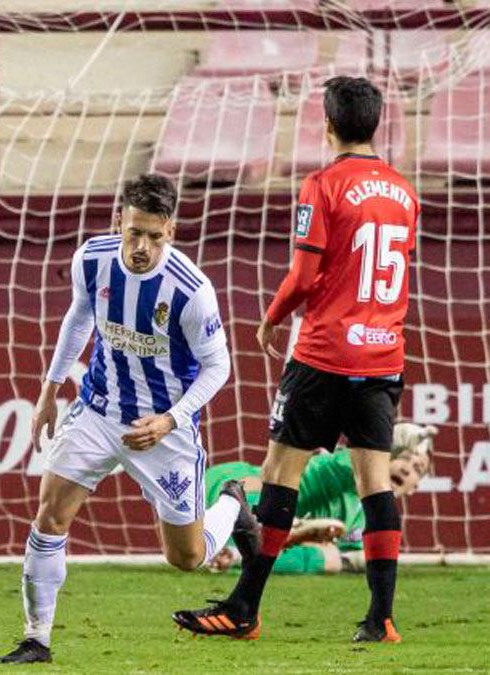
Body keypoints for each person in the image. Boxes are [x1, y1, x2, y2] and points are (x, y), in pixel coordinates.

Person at [173, 76, 421, 643]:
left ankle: (244, 609)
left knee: (279, 479)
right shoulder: (405, 192)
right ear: (376, 124)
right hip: (382, 355)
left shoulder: (323, 184)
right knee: (375, 487)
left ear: (327, 125)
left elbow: (306, 275)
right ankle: (381, 619)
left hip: (323, 353)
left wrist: (271, 317)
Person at [0, 173, 253, 665]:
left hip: (160, 430)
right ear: (120, 221)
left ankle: (232, 505)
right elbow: (79, 316)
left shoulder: (191, 291)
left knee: (187, 559)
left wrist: (172, 420)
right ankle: (37, 639)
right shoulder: (92, 258)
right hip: (97, 409)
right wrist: (50, 391)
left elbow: (219, 366)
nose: (141, 247)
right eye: (134, 233)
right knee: (50, 513)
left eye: (154, 237)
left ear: (171, 232)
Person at [204, 423, 435, 576]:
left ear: (414, 488)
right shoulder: (341, 469)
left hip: (255, 522)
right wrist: (391, 439)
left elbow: (352, 554)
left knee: (330, 558)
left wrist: (350, 560)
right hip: (228, 487)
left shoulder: (367, 520)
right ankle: (240, 550)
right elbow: (360, 458)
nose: (406, 469)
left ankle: (232, 555)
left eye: (417, 468)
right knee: (264, 487)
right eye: (403, 458)